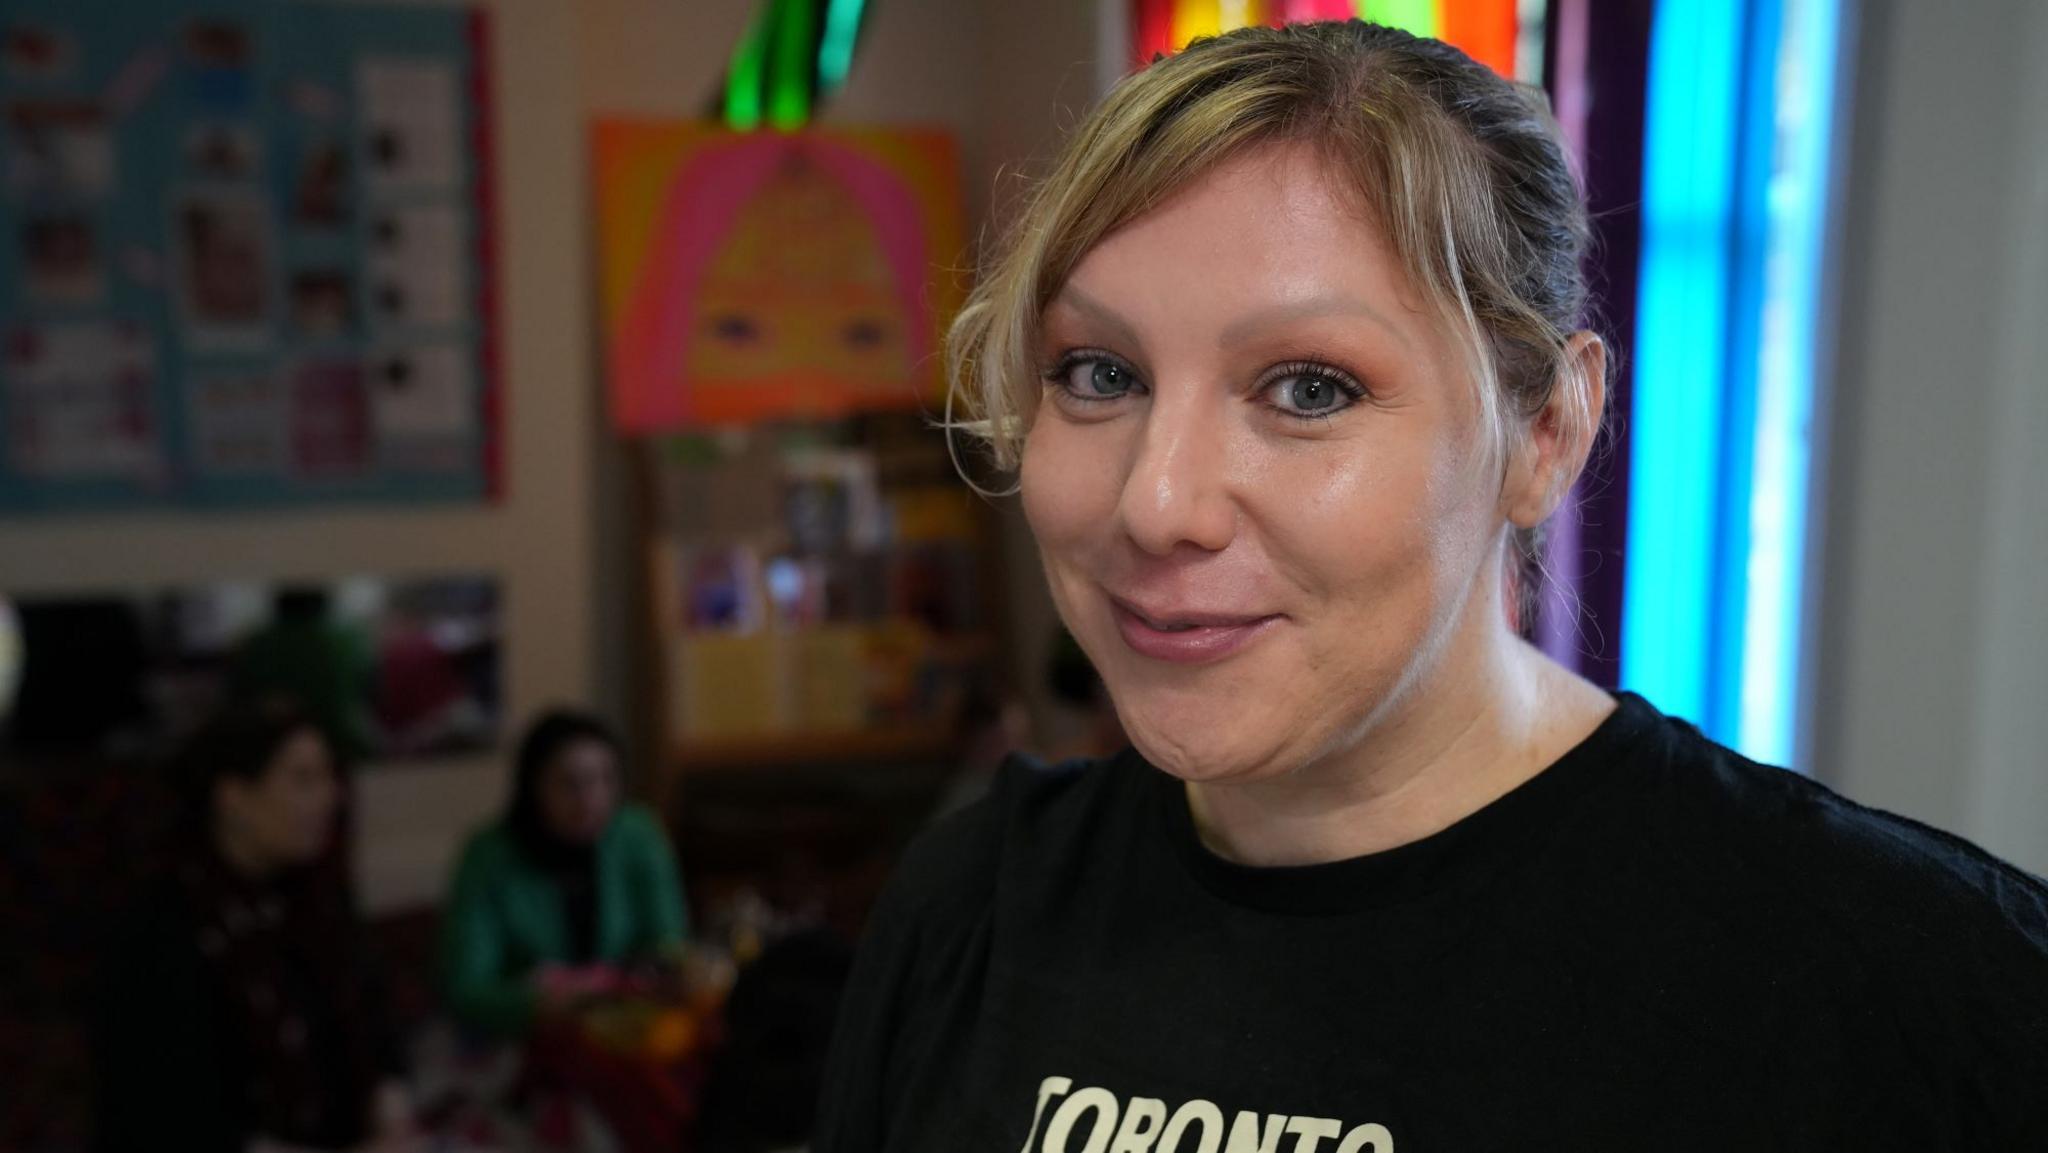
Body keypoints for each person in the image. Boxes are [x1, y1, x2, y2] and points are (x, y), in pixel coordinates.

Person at [814, 20, 2048, 1152]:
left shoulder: (1907, 993)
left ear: (1546, 434)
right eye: (1097, 372)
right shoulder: (969, 912)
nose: (1156, 503)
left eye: (1308, 388)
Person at [95, 699, 414, 1153]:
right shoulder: (162, 933)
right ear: (233, 797)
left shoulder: (314, 903)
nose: (330, 797)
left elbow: (378, 1027)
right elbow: (171, 1121)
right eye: (303, 780)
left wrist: (390, 1101)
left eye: (329, 777)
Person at [441, 709, 689, 1036]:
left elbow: (670, 943)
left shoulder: (637, 836)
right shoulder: (490, 856)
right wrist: (539, 1003)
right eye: (571, 784)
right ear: (534, 787)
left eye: (605, 779)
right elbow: (466, 986)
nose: (591, 799)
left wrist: (637, 983)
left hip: (626, 1023)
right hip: (522, 1037)